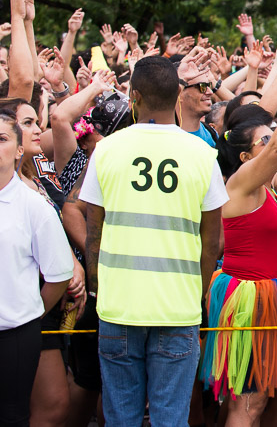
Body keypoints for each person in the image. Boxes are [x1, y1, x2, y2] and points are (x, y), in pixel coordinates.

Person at [81, 56, 227, 426]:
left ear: (134, 95)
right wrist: (196, 291)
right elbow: (213, 241)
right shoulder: (202, 154)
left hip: (118, 305)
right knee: (170, 418)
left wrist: (98, 288)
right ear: (178, 94)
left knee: (121, 417)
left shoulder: (106, 150)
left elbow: (93, 232)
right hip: (177, 307)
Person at [200, 56, 277, 425]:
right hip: (248, 297)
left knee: (256, 399)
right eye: (264, 139)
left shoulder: (267, 188)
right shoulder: (239, 184)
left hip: (270, 293)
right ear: (244, 155)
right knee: (247, 402)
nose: (273, 143)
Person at [0, 111, 74, 426]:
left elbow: (58, 275)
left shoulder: (34, 207)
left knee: (12, 417)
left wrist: (29, 313)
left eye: (2, 138)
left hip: (14, 336)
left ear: (19, 150)